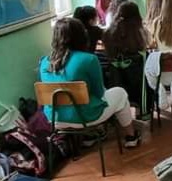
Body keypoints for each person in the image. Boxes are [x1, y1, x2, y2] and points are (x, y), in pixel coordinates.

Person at [40, 18, 142, 148]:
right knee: (120, 93)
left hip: (54, 118)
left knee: (89, 100)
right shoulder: (89, 59)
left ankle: (90, 136)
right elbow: (99, 93)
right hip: (86, 117)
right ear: (81, 36)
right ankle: (131, 136)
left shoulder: (44, 62)